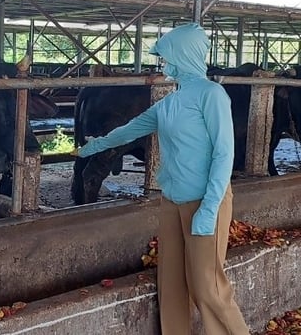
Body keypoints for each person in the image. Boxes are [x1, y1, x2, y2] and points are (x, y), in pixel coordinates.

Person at [75, 23, 250, 335]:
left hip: (204, 200)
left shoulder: (213, 95)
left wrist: (209, 208)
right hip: (172, 200)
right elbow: (129, 129)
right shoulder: (168, 104)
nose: (163, 65)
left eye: (167, 58)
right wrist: (94, 146)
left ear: (185, 55)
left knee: (208, 288)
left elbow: (225, 154)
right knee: (170, 285)